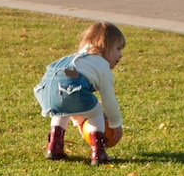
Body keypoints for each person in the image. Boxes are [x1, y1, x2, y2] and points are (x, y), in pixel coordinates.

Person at [33, 21, 125, 166]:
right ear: (104, 46)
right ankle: (98, 153)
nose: (121, 55)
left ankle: (54, 146)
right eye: (118, 48)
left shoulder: (74, 59)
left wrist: (80, 122)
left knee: (62, 112)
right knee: (96, 113)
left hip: (46, 91)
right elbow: (109, 100)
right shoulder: (101, 64)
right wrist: (115, 123)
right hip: (68, 89)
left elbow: (69, 101)